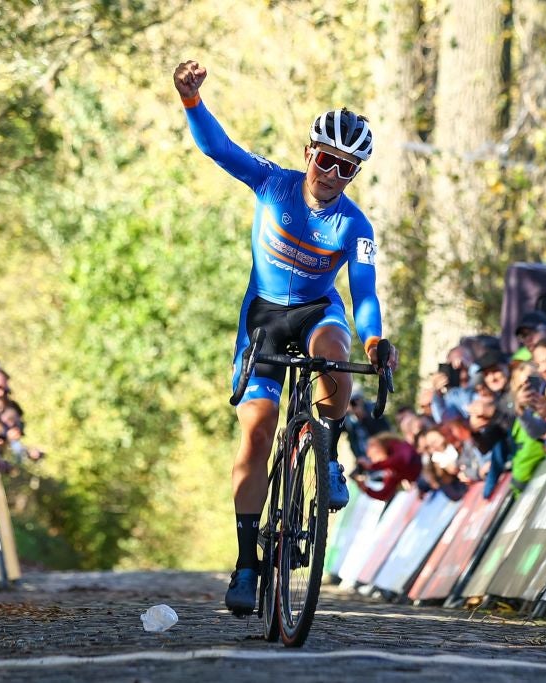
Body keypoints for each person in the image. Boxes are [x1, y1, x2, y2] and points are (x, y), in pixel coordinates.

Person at [174, 58, 398, 616]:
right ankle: (248, 562)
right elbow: (218, 149)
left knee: (337, 358)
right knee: (255, 431)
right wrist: (191, 100)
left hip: (320, 312)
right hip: (266, 318)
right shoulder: (273, 185)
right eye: (326, 160)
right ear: (308, 154)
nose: (332, 174)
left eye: (346, 169)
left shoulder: (356, 226)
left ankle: (326, 453)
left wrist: (375, 340)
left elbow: (364, 292)